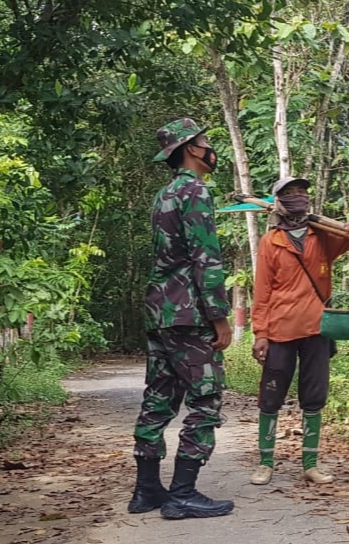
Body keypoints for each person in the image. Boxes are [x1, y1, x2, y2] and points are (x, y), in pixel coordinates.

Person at [128, 118, 234, 519]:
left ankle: (147, 491)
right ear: (191, 149)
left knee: (158, 399)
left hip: (160, 309)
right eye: (206, 142)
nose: (211, 149)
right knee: (206, 401)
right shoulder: (195, 189)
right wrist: (219, 317)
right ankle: (182, 494)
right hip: (189, 312)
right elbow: (204, 256)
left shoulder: (164, 194)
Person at [249, 176, 349, 486]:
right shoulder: (270, 242)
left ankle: (310, 463)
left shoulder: (321, 234)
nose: (298, 197)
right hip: (280, 329)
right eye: (290, 193)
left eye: (302, 192)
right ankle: (265, 462)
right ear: (278, 202)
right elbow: (262, 292)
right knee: (271, 396)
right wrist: (260, 332)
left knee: (314, 397)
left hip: (317, 328)